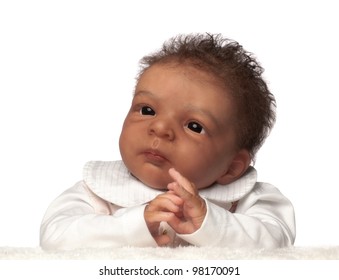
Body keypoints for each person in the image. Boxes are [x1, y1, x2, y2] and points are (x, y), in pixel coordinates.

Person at [40, 33, 296, 250]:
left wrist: (210, 221)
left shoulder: (250, 201)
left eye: (194, 126)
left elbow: (276, 243)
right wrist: (135, 224)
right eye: (147, 110)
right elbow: (54, 237)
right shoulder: (98, 191)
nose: (160, 128)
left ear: (231, 167)